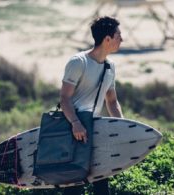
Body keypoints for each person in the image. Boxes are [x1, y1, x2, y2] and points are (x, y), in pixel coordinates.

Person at [60, 16, 124, 195]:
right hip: (74, 130)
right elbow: (65, 98)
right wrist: (75, 123)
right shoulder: (78, 62)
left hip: (95, 129)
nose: (122, 39)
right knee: (74, 186)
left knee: (102, 184)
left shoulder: (110, 67)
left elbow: (111, 101)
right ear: (107, 39)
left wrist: (122, 125)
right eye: (119, 35)